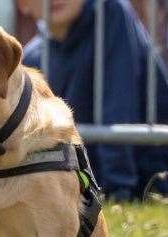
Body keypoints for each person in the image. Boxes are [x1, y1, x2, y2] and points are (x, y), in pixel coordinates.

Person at [18, 0, 168, 200]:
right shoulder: (32, 57)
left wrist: (118, 190)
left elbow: (119, 106)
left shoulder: (109, 11)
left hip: (145, 177)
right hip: (85, 181)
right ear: (23, 4)